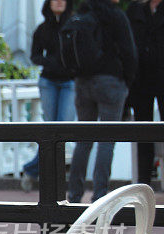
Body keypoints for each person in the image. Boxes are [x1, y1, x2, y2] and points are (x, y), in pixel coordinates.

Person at [67, 0, 137, 203]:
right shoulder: (116, 15)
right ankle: (99, 197)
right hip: (111, 82)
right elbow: (129, 52)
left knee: (83, 140)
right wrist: (127, 82)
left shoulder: (82, 14)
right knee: (106, 140)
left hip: (82, 83)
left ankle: (74, 195)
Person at [21, 0, 76, 192]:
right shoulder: (42, 29)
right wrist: (50, 62)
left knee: (63, 129)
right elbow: (34, 55)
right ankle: (52, 179)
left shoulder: (75, 25)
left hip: (70, 82)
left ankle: (31, 169)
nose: (59, 2)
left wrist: (71, 66)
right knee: (50, 130)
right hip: (49, 82)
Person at [126, 0, 164, 186]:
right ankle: (144, 183)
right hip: (141, 80)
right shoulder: (135, 10)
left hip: (161, 76)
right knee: (143, 132)